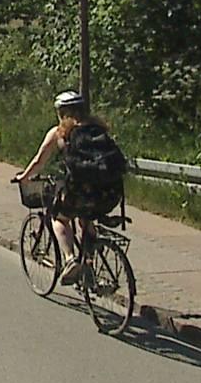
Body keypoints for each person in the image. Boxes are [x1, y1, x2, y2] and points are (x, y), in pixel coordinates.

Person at [14, 91, 124, 283]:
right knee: (86, 217)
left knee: (59, 218)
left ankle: (70, 260)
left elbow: (39, 161)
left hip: (81, 192)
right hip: (109, 193)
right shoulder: (98, 129)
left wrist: (23, 177)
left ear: (60, 112)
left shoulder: (60, 132)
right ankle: (89, 263)